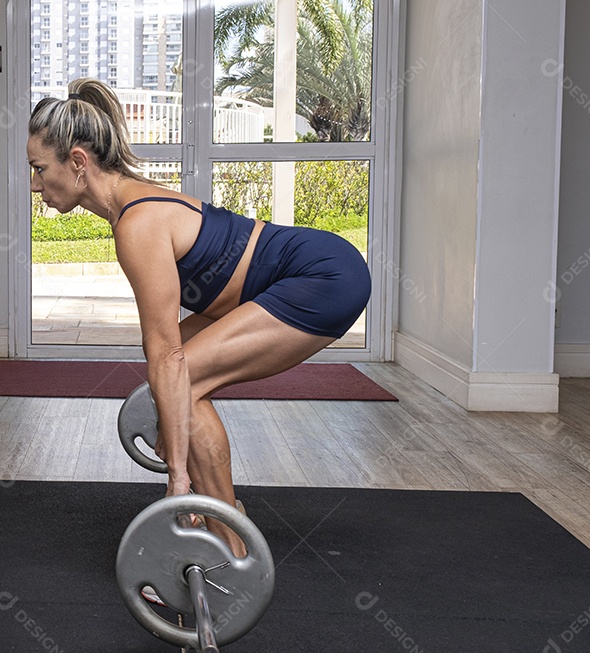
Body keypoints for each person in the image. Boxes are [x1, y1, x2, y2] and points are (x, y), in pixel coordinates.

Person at [28, 78, 371, 563]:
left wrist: (178, 480)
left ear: (78, 162)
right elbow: (163, 355)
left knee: (180, 380)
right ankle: (225, 514)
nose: (35, 184)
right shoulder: (133, 207)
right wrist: (172, 431)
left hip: (323, 278)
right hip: (315, 270)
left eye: (40, 169)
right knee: (172, 380)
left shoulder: (137, 224)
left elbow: (169, 355)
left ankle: (228, 550)